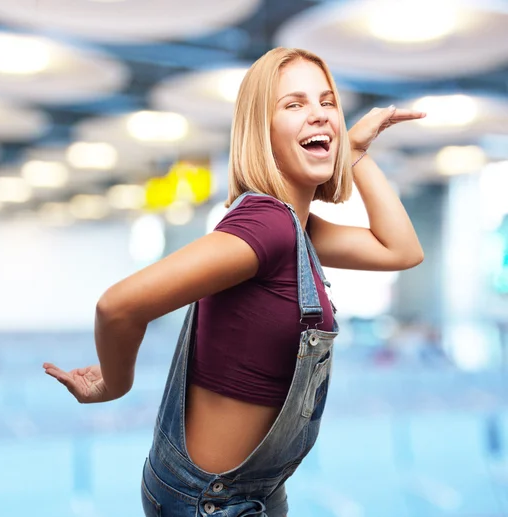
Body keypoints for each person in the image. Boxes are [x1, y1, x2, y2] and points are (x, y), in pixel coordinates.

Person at [43, 47, 425, 516]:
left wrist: (357, 151)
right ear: (260, 130)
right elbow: (118, 306)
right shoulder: (268, 226)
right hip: (211, 501)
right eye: (294, 104)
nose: (320, 115)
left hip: (256, 489)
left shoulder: (296, 229)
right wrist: (112, 385)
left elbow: (401, 251)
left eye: (327, 103)